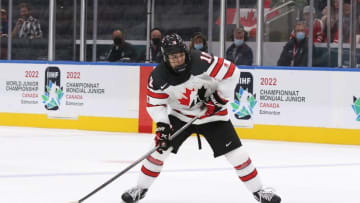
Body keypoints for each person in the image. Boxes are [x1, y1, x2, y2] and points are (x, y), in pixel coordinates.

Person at [121, 33, 281, 203]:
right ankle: (140, 188)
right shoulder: (158, 77)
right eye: (173, 57)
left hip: (213, 115)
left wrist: (219, 99)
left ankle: (259, 191)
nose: (179, 60)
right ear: (165, 57)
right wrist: (162, 125)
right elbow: (155, 104)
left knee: (238, 155)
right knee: (158, 151)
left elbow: (233, 73)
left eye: (181, 55)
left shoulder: (202, 61)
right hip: (180, 115)